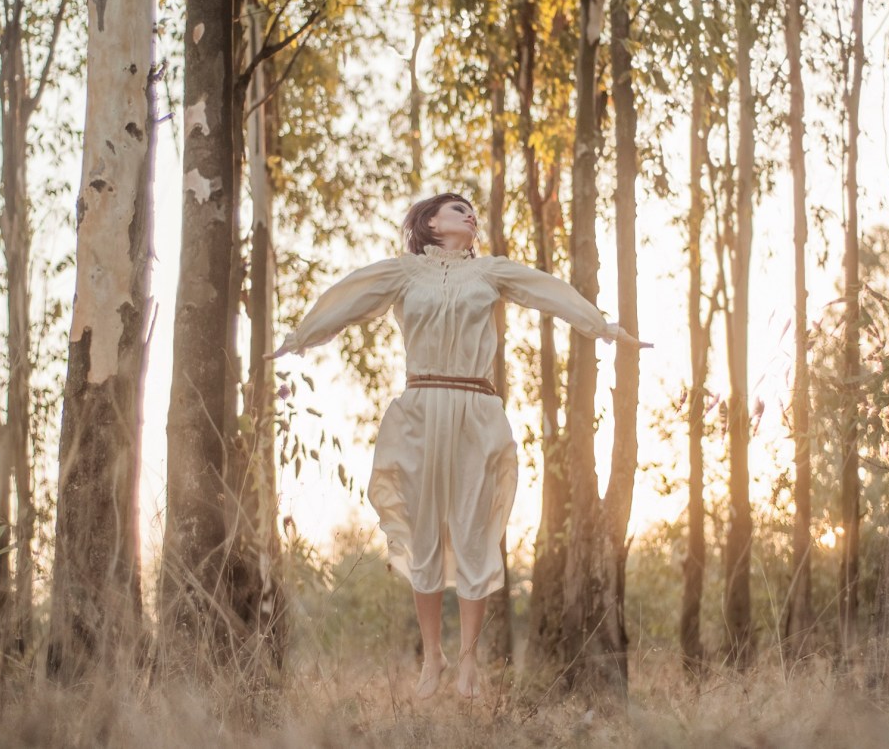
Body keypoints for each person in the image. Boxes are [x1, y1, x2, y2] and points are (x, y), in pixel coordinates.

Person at [271, 192, 648, 699]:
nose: (470, 215)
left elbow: (549, 291)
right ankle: (434, 659)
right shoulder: (403, 273)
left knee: (475, 532)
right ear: (429, 221)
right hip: (420, 409)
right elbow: (349, 296)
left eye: (472, 211)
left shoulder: (490, 272)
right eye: (457, 209)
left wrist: (601, 327)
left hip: (475, 409)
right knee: (423, 533)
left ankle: (469, 661)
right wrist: (300, 336)